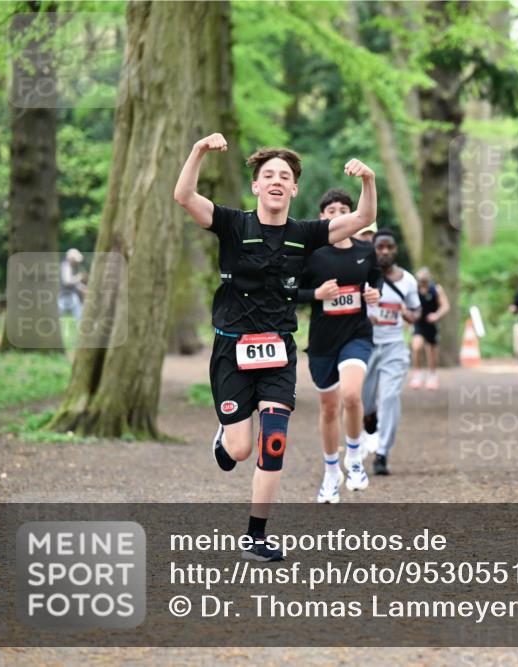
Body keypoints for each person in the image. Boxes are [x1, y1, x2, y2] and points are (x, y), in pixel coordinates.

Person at [174, 132, 375, 560]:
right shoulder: (233, 224)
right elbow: (184, 195)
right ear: (257, 186)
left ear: (295, 188)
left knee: (274, 441)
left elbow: (360, 219)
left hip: (278, 350)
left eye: (285, 175)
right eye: (269, 175)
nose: (277, 181)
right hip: (232, 348)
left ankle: (255, 535)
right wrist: (198, 152)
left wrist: (368, 180)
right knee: (240, 449)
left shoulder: (305, 233)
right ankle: (225, 437)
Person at [299, 188, 382, 503]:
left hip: (356, 335)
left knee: (350, 394)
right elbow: (290, 292)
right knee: (329, 407)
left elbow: (375, 279)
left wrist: (374, 293)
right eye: (330, 210)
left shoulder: (364, 250)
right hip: (322, 341)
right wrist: (316, 295)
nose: (337, 215)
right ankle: (331, 472)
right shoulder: (311, 254)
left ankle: (355, 456)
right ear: (322, 217)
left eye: (343, 209)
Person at [361, 229, 421, 476]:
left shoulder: (408, 281)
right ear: (373, 250)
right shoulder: (362, 276)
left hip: (394, 346)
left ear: (395, 250)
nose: (385, 251)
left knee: (389, 397)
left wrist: (409, 315)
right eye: (380, 247)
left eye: (390, 247)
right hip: (365, 345)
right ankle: (369, 416)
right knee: (361, 401)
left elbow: (416, 311)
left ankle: (382, 453)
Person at [408, 267, 450, 390]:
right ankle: (417, 373)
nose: (423, 283)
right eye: (421, 281)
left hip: (431, 323)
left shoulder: (436, 289)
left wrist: (436, 315)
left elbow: (445, 305)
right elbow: (408, 305)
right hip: (418, 323)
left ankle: (432, 375)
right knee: (416, 346)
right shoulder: (414, 290)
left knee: (431, 350)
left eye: (424, 281)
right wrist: (409, 319)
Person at [58, 248, 88, 322]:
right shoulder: (66, 266)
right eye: (75, 259)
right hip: (66, 295)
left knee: (79, 316)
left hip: (70, 295)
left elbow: (73, 283)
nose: (77, 262)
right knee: (79, 317)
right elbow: (67, 282)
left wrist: (82, 287)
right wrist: (79, 277)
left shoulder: (71, 267)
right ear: (71, 258)